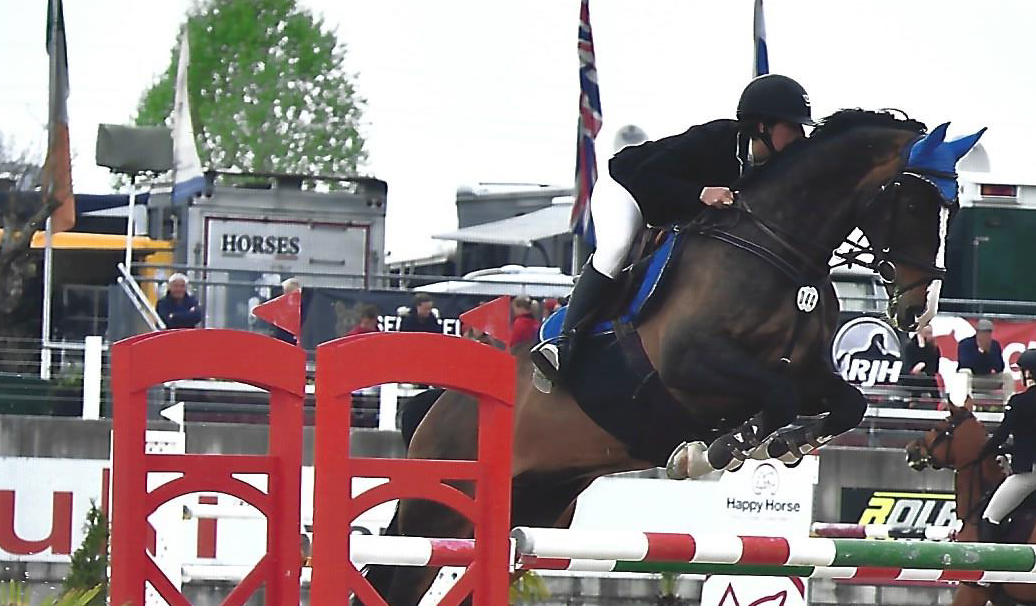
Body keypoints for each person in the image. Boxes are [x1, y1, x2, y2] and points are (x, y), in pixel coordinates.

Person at [530, 74, 814, 391]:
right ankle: (563, 344)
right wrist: (700, 193)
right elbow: (646, 175)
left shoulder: (769, 169)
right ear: (763, 125)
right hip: (627, 188)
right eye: (794, 126)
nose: (801, 135)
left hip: (672, 214)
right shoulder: (717, 139)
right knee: (616, 249)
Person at [977, 348, 1036, 542]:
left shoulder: (1019, 401)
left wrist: (983, 452)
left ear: (1028, 373)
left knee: (991, 516)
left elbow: (1002, 434)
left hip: (1029, 473)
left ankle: (992, 564)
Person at [901, 324, 942, 402]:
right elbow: (907, 364)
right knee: (918, 380)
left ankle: (939, 404)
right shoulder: (910, 346)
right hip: (912, 377)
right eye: (927, 332)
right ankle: (913, 403)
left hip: (928, 376)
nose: (930, 335)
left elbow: (934, 367)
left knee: (929, 381)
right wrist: (916, 369)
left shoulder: (934, 348)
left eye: (931, 332)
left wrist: (923, 367)